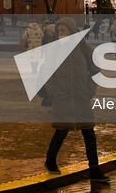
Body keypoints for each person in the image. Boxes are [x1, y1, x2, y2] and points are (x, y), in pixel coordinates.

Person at [43, 19, 107, 183]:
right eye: (59, 31)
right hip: (63, 97)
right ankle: (50, 161)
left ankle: (94, 168)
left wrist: (90, 90)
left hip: (81, 97)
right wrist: (54, 92)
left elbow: (95, 70)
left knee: (89, 133)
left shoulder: (83, 48)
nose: (61, 34)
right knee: (61, 131)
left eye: (64, 30)